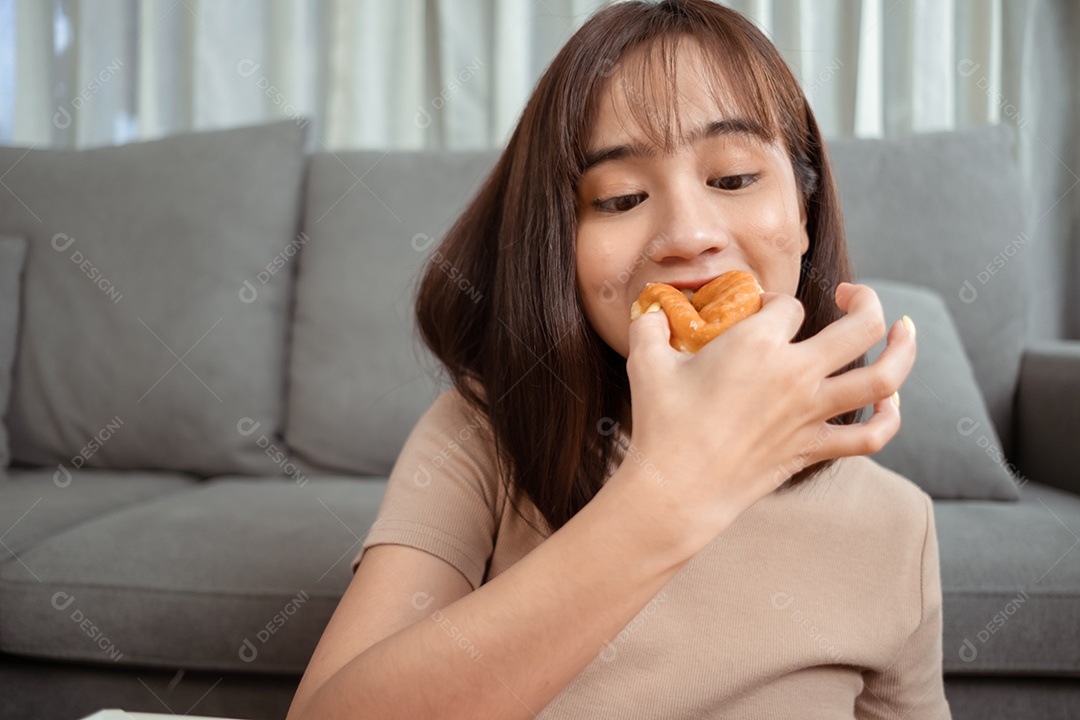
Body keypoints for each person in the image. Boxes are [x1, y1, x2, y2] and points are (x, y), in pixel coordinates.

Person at [286, 1, 951, 718]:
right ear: (557, 245)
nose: (688, 234)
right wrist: (671, 495)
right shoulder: (480, 440)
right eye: (621, 197)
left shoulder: (897, 524)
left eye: (731, 179)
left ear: (805, 215)